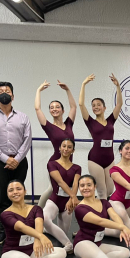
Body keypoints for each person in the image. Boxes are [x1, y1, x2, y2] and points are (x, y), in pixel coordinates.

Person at [0, 180, 70, 258]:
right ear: (7, 194)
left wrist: (37, 240)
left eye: (18, 189)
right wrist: (41, 237)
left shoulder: (36, 209)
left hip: (32, 251)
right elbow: (21, 227)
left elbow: (39, 224)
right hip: (11, 254)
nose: (15, 192)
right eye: (11, 190)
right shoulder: (5, 214)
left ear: (25, 191)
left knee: (61, 251)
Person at [67, 175, 130, 258]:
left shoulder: (104, 202)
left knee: (125, 252)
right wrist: (122, 228)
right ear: (79, 188)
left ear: (95, 186)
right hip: (82, 243)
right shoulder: (80, 208)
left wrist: (121, 226)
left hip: (96, 244)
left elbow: (114, 215)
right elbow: (100, 221)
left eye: (89, 185)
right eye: (82, 186)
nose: (85, 188)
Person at [0, 82, 32, 246]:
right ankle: (4, 231)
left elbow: (27, 139)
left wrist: (17, 159)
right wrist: (5, 158)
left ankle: (20, 228)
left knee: (19, 195)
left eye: (7, 91)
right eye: (0, 91)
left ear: (13, 96)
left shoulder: (23, 117)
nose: (4, 93)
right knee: (3, 197)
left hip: (20, 162)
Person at [78, 73, 122, 199]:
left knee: (109, 190)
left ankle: (100, 209)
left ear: (104, 108)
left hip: (109, 159)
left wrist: (118, 86)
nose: (96, 107)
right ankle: (104, 216)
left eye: (98, 105)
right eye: (93, 105)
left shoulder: (111, 120)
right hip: (95, 160)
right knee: (102, 192)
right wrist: (83, 84)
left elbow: (119, 104)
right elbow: (81, 105)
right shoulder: (90, 122)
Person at [34, 80, 76, 209]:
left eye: (57, 107)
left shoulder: (69, 124)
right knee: (53, 188)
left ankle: (57, 212)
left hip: (69, 162)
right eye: (51, 108)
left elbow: (73, 107)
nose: (54, 109)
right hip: (56, 163)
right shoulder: (49, 127)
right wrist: (38, 90)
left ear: (63, 110)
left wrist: (67, 90)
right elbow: (37, 108)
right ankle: (37, 212)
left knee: (61, 189)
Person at [42, 138, 81, 253]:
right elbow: (60, 182)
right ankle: (69, 245)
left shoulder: (77, 167)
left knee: (62, 233)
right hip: (54, 200)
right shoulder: (52, 164)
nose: (66, 149)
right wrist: (73, 197)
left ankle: (47, 231)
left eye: (69, 147)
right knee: (44, 218)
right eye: (64, 146)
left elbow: (75, 184)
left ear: (73, 150)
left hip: (68, 203)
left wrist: (71, 198)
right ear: (59, 148)